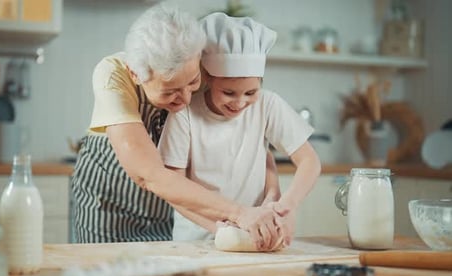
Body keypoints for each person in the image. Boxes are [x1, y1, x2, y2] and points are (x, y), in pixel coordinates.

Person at [71, 4, 285, 250]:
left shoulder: (201, 65)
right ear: (135, 74)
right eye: (170, 91)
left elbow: (250, 137)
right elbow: (147, 174)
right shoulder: (113, 74)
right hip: (108, 208)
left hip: (172, 209)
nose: (184, 99)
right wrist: (239, 213)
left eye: (193, 82)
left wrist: (271, 193)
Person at [158, 12, 321, 244]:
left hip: (256, 236)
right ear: (208, 77)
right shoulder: (185, 114)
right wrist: (219, 229)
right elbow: (174, 190)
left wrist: (286, 206)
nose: (240, 102)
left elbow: (309, 161)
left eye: (250, 92)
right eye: (228, 92)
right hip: (196, 239)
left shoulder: (268, 104)